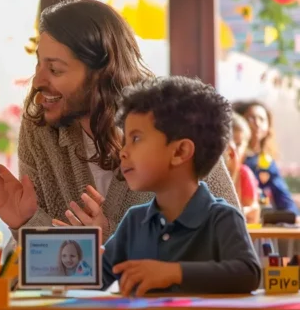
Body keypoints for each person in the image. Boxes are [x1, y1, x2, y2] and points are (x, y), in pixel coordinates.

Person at [0, 0, 239, 242]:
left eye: (55, 69)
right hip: (74, 292)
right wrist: (25, 221)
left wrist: (109, 240)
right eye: (39, 64)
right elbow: (55, 263)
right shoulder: (41, 126)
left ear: (101, 74)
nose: (38, 81)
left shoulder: (177, 121)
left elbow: (229, 240)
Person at [101, 76, 260, 296]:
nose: (123, 151)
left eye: (136, 139)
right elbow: (93, 278)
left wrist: (173, 272)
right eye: (125, 141)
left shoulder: (222, 218)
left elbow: (248, 273)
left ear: (180, 152)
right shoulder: (134, 222)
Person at [233, 100, 298, 216]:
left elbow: (281, 194)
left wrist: (294, 215)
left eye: (262, 119)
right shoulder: (233, 156)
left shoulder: (267, 162)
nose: (257, 124)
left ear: (268, 127)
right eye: (251, 118)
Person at [226, 113, 261, 223]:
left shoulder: (244, 174)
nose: (232, 149)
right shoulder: (206, 173)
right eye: (227, 143)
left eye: (238, 144)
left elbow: (253, 211)